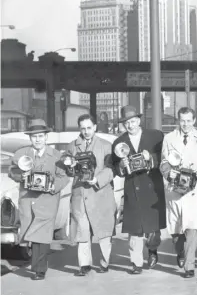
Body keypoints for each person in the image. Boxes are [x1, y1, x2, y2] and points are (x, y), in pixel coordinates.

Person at [9, 119, 69, 280]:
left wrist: (53, 186)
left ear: (46, 137)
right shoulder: (21, 154)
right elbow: (12, 171)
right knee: (31, 235)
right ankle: (35, 263)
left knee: (42, 237)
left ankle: (39, 270)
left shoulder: (56, 156)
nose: (37, 140)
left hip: (47, 200)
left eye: (40, 136)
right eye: (34, 136)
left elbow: (63, 178)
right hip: (28, 201)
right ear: (30, 138)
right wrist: (20, 176)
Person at [111, 106, 166, 275]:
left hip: (151, 185)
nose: (130, 125)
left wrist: (152, 158)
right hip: (132, 187)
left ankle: (152, 250)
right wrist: (121, 165)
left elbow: (165, 156)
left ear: (139, 121)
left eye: (133, 121)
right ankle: (136, 262)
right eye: (127, 123)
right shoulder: (118, 143)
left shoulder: (156, 136)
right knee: (134, 228)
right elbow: (114, 165)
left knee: (152, 227)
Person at [64, 114, 117, 276]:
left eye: (89, 128)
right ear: (79, 129)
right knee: (82, 231)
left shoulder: (106, 146)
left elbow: (111, 169)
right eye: (83, 128)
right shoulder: (72, 146)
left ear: (95, 127)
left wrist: (98, 179)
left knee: (104, 232)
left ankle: (104, 262)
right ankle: (84, 265)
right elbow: (67, 168)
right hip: (80, 195)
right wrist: (70, 165)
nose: (86, 131)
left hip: (100, 194)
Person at [159, 107, 197, 278]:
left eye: (189, 120)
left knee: (192, 228)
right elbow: (163, 162)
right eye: (182, 120)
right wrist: (167, 172)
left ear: (194, 120)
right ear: (178, 120)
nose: (186, 124)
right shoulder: (169, 138)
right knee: (176, 231)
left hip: (195, 190)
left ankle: (190, 265)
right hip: (175, 189)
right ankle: (180, 252)